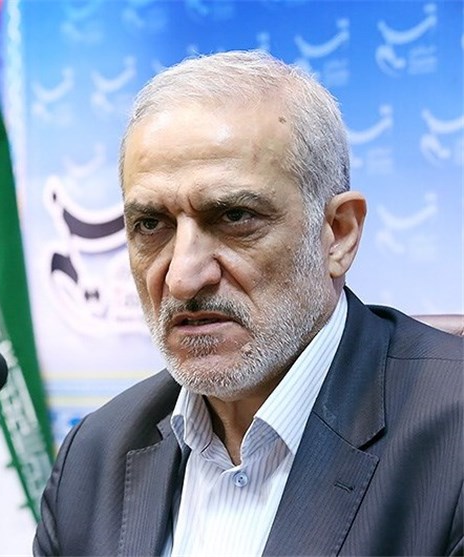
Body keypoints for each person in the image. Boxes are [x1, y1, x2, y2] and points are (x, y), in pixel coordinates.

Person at [33, 50, 463, 556]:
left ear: (339, 234)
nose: (183, 277)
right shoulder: (95, 458)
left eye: (235, 217)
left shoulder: (451, 436)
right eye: (150, 225)